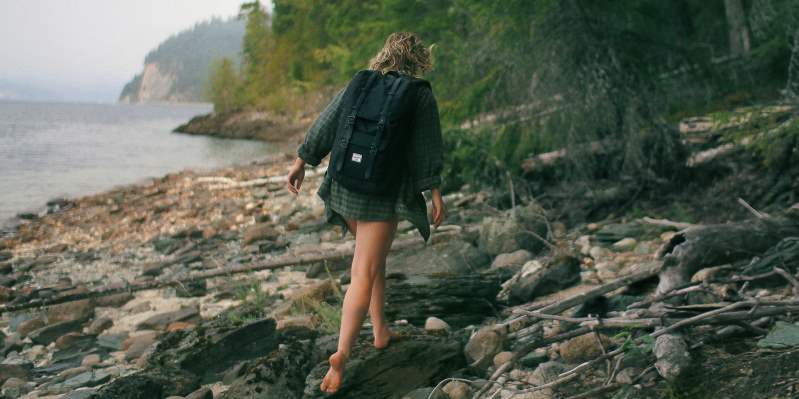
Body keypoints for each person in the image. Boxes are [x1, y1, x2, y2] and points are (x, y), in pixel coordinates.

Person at [286, 31, 445, 394]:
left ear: (383, 55)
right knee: (363, 270)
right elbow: (427, 146)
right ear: (418, 60)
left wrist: (301, 161)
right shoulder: (418, 94)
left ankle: (379, 330)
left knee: (374, 263)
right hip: (381, 191)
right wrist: (434, 191)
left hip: (345, 186)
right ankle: (341, 356)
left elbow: (327, 123)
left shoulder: (361, 82)